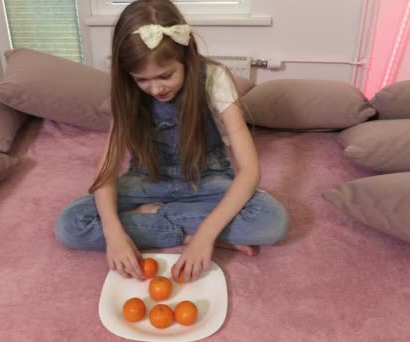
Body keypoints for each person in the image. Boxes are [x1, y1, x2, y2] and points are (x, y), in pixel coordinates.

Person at [55, 0, 289, 282]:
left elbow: (250, 171)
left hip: (206, 180)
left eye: (166, 76)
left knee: (273, 221)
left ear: (186, 56)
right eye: (143, 80)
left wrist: (205, 235)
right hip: (148, 180)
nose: (155, 88)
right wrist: (113, 233)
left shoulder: (214, 78)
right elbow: (107, 167)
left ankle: (180, 227)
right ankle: (192, 229)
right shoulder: (127, 91)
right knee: (70, 225)